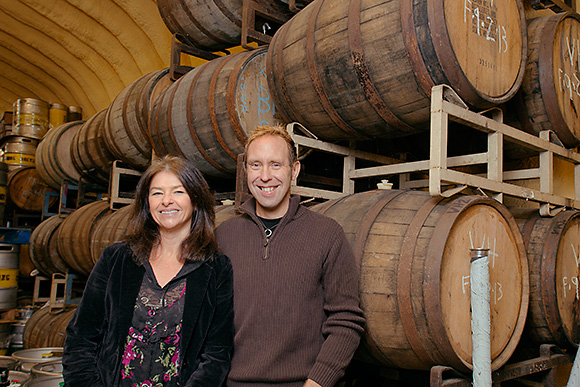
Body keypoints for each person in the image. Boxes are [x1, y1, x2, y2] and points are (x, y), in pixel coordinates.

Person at [63, 155, 234, 387]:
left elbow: (217, 354)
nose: (166, 201)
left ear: (195, 201)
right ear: (147, 203)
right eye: (157, 193)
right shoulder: (116, 259)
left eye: (178, 191)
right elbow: (81, 337)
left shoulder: (216, 268)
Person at [216, 125, 365, 387]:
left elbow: (346, 322)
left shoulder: (327, 234)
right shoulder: (224, 236)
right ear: (245, 171)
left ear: (294, 170)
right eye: (255, 165)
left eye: (275, 165)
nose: (265, 176)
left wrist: (317, 382)